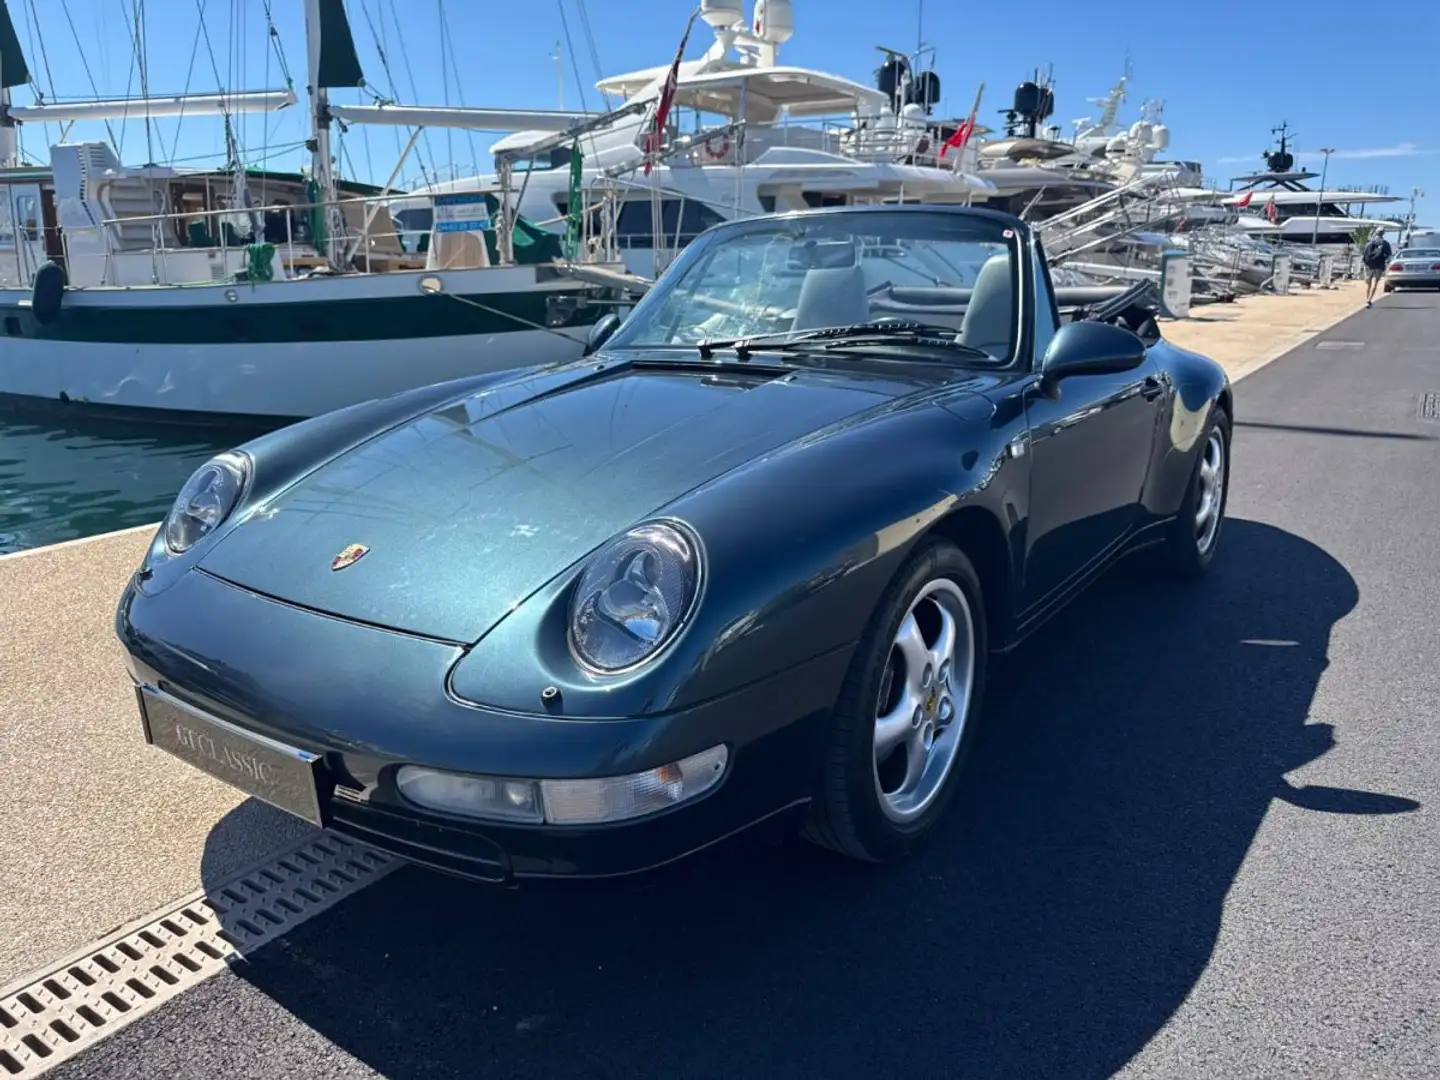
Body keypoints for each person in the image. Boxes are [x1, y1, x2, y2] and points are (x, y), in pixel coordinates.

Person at [1361, 228, 1393, 307]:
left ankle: (1367, 299)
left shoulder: (1369, 243)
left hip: (1369, 265)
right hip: (1379, 265)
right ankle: (1369, 300)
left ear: (1376, 233)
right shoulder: (1385, 244)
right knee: (1375, 283)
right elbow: (1389, 256)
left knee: (1369, 284)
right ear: (1383, 234)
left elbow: (1364, 255)